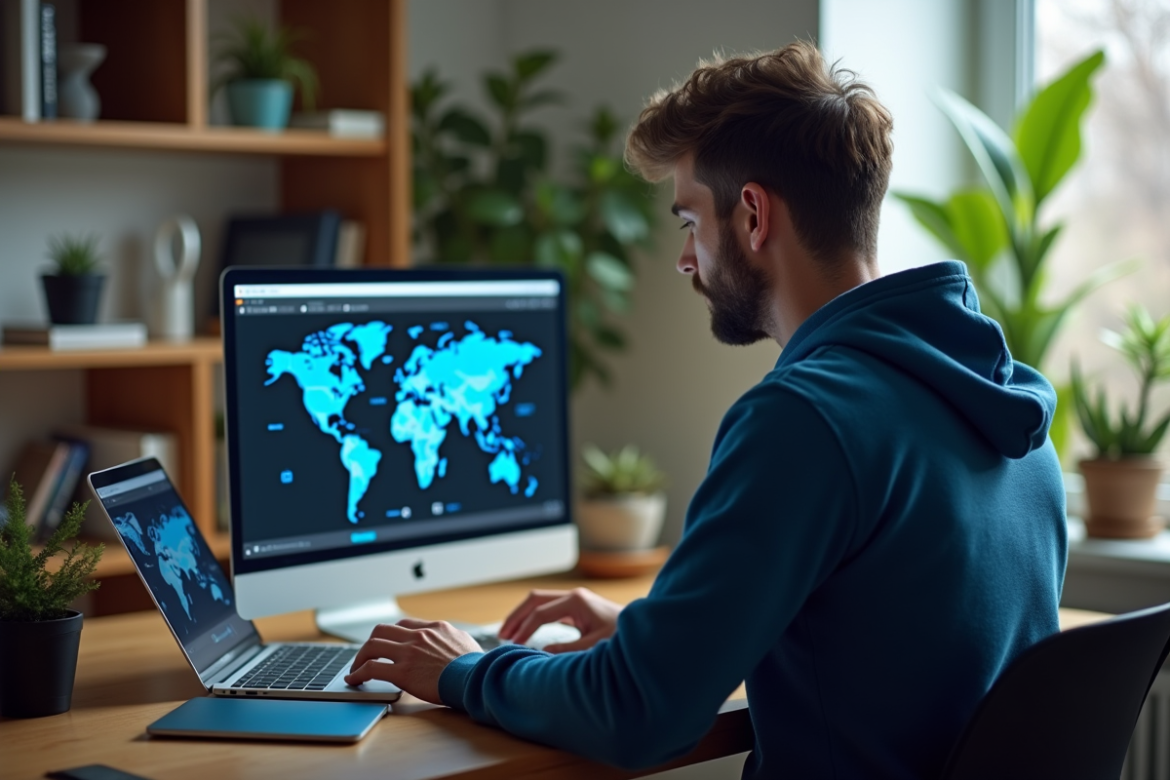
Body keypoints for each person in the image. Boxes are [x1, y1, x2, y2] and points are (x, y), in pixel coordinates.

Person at [345, 41, 1067, 778]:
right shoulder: (1004, 401)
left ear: (752, 215)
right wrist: (655, 631)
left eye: (690, 221)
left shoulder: (804, 420)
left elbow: (637, 715)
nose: (687, 259)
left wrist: (465, 669)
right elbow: (892, 634)